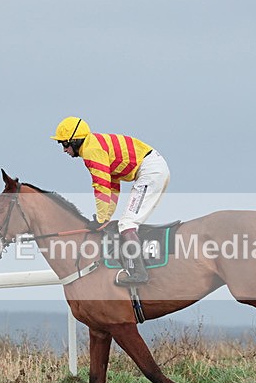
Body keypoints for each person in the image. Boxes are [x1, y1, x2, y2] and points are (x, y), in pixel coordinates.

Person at [51, 116, 170, 286]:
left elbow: (101, 186)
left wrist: (100, 218)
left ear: (76, 141)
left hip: (150, 171)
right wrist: (105, 217)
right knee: (124, 223)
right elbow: (113, 185)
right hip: (152, 167)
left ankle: (140, 273)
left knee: (127, 224)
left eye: (64, 144)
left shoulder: (92, 151)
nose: (64, 150)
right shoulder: (93, 146)